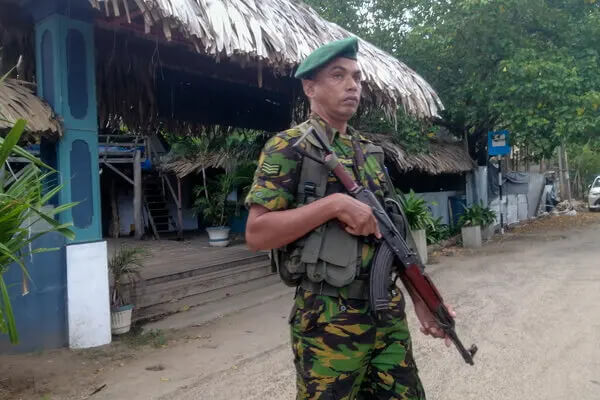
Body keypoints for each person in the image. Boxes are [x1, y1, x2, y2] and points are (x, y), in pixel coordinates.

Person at [245, 37, 454, 400]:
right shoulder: (289, 147)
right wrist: (334, 205)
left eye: (357, 77)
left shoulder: (370, 151)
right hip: (328, 320)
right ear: (310, 87)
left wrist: (422, 299)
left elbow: (393, 237)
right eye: (338, 76)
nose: (352, 85)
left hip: (386, 313)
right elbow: (258, 233)